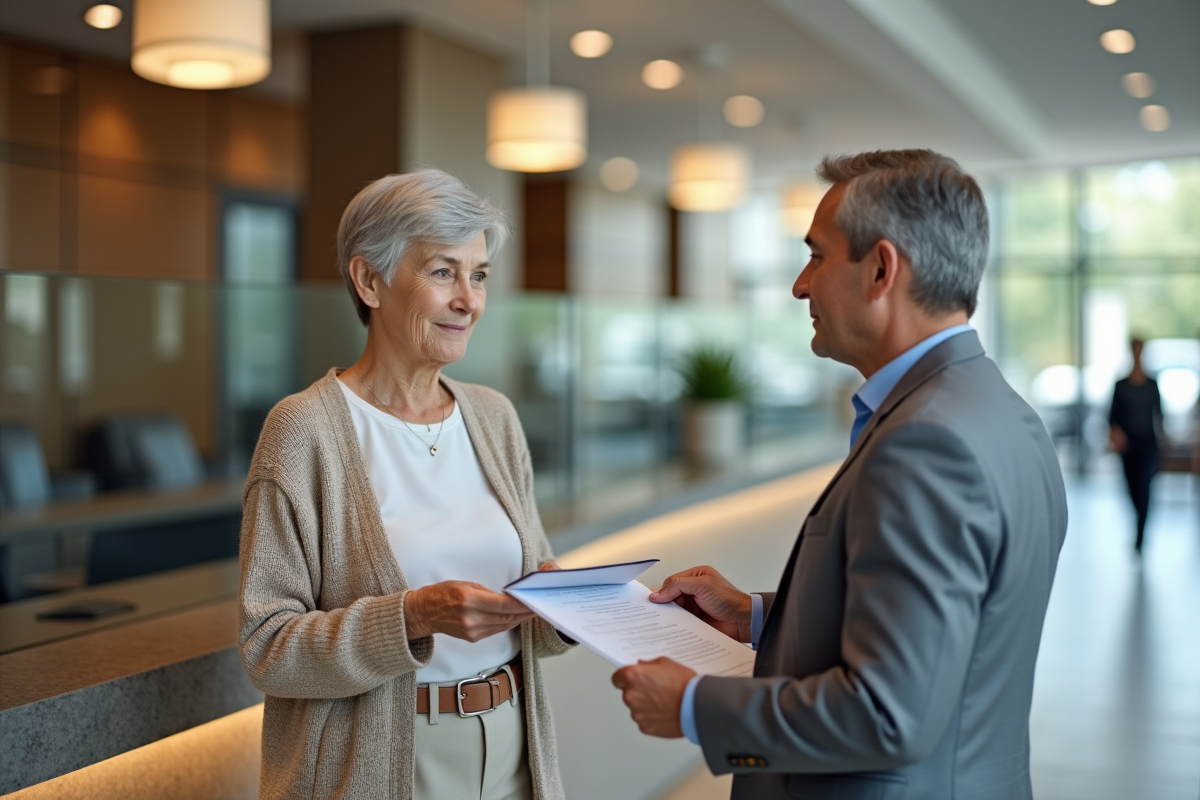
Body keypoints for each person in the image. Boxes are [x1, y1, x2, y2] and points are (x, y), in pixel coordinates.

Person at [612, 150, 1068, 799]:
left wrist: (692, 706)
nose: (800, 285)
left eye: (817, 256)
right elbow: (946, 640)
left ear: (881, 269)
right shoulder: (996, 410)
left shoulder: (927, 442)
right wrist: (760, 617)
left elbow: (888, 713)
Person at [239, 169, 573, 800]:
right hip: (378, 763)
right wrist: (414, 615)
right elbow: (267, 648)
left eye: (478, 276)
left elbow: (528, 592)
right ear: (370, 281)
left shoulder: (494, 416)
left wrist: (566, 607)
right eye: (443, 271)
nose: (469, 301)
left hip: (513, 751)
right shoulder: (302, 430)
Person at [1108, 338, 1163, 554]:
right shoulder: (1121, 385)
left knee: (1145, 487)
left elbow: (1160, 415)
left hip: (1148, 442)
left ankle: (1141, 533)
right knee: (1131, 487)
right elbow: (1112, 416)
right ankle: (1138, 518)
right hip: (1128, 445)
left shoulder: (1152, 384)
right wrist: (1115, 433)